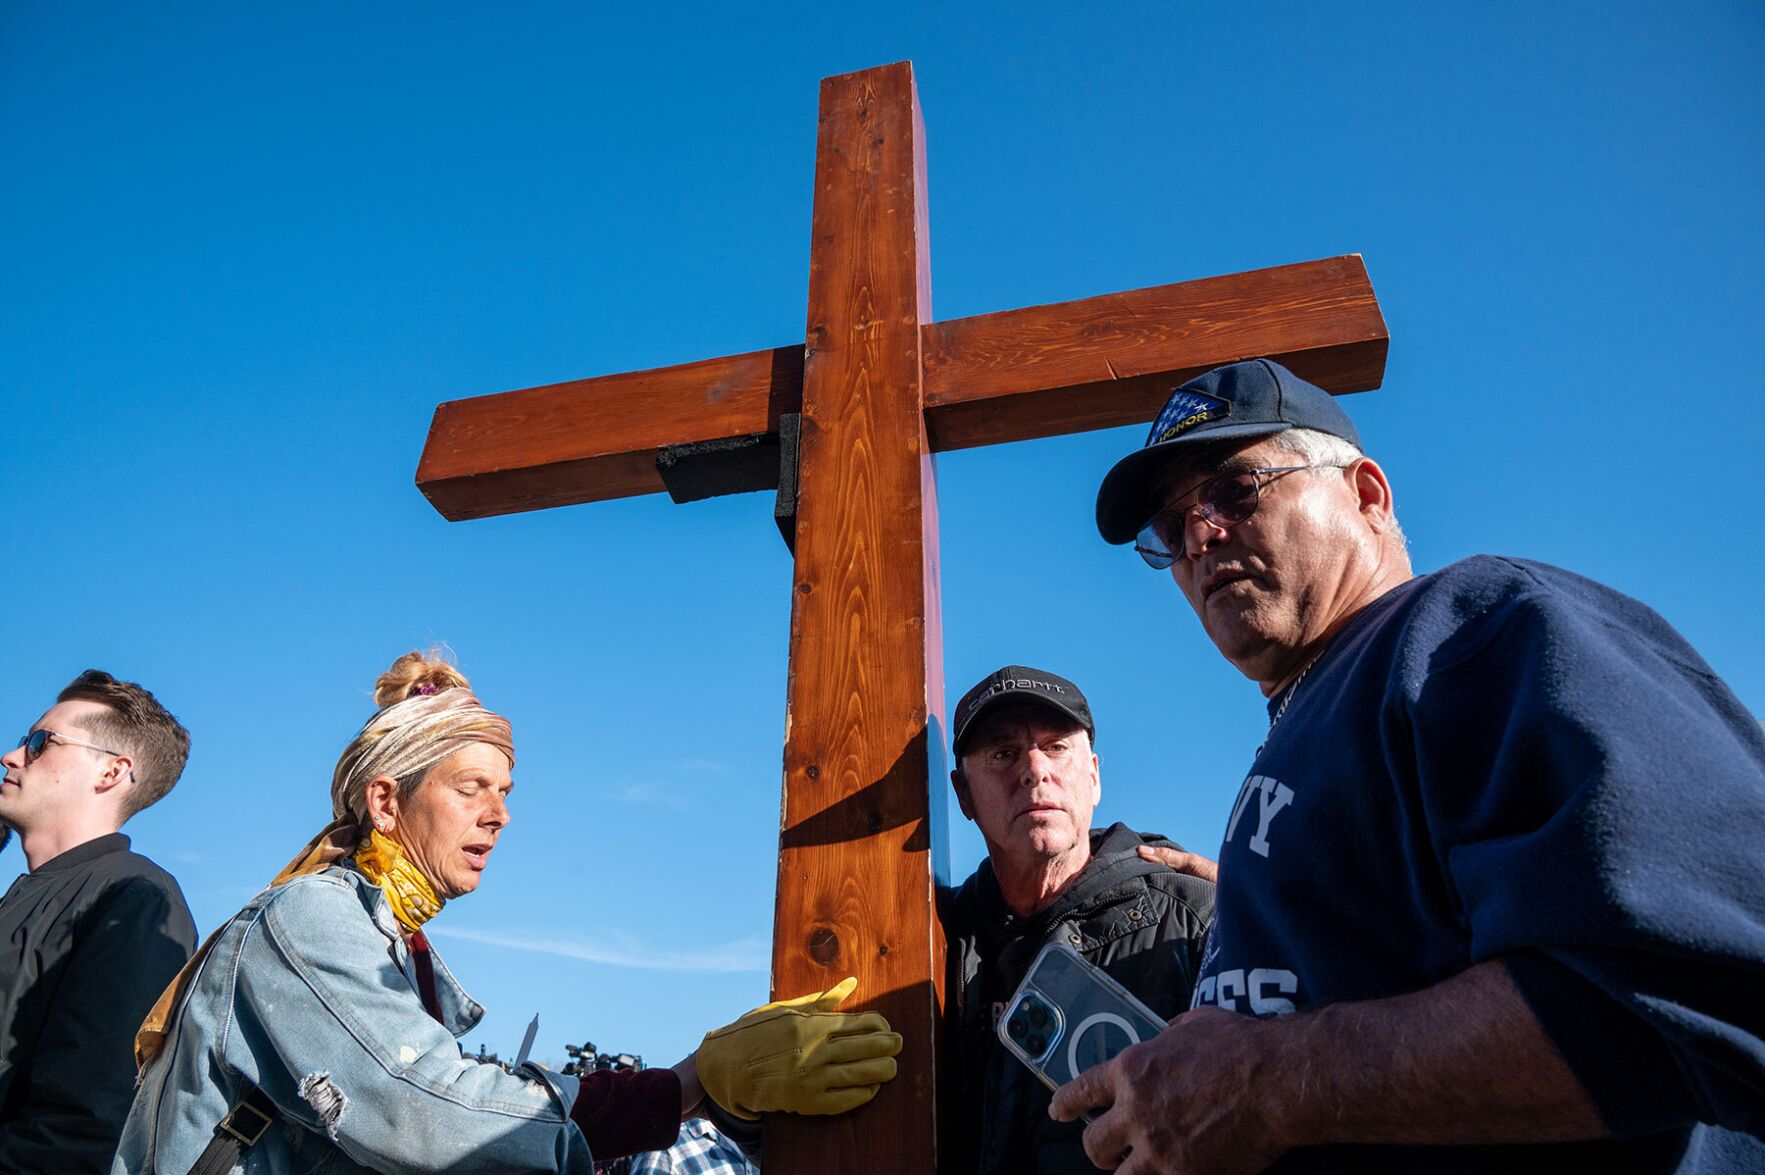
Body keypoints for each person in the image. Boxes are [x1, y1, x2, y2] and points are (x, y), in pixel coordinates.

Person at [1047, 357, 1765, 1172]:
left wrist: (1266, 1081)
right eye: (1170, 528)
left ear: (1365, 494)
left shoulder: (1473, 627)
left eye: (1236, 489)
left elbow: (1708, 983)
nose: (1199, 535)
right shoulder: (1311, 715)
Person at [116, 651, 901, 1173]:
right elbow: (429, 1109)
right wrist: (688, 1084)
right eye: (470, 787)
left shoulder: (399, 947)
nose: (499, 814)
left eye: (506, 792)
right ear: (385, 800)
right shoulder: (310, 918)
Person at [941, 665, 1213, 1174]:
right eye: (1003, 753)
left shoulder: (1197, 918)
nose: (1034, 770)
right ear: (963, 795)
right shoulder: (933, 940)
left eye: (1056, 747)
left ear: (1093, 776)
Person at [0, 669, 197, 1173]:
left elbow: (82, 1128)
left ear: (110, 773)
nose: (12, 755)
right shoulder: (22, 901)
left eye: (41, 742)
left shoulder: (137, 900)